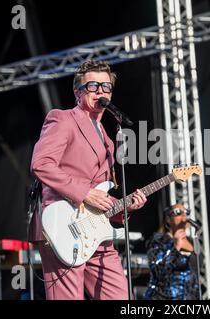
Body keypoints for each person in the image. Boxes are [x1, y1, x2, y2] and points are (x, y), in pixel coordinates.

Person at [29, 60, 147, 300]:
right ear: (77, 91)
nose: (101, 91)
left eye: (106, 87)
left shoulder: (109, 141)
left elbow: (101, 197)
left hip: (97, 233)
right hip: (63, 225)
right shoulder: (62, 119)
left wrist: (124, 208)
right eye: (93, 86)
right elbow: (41, 164)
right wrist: (84, 193)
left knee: (120, 297)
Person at [143, 203, 199, 300]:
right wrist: (176, 246)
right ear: (168, 219)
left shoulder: (191, 241)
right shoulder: (159, 240)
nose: (183, 215)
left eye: (186, 212)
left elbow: (197, 267)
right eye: (178, 212)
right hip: (165, 296)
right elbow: (158, 270)